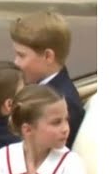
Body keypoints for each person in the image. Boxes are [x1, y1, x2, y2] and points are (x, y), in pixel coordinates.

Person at [10, 9, 85, 147]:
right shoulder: (46, 90)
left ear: (48, 56)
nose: (16, 62)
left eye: (21, 55)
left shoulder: (61, 103)